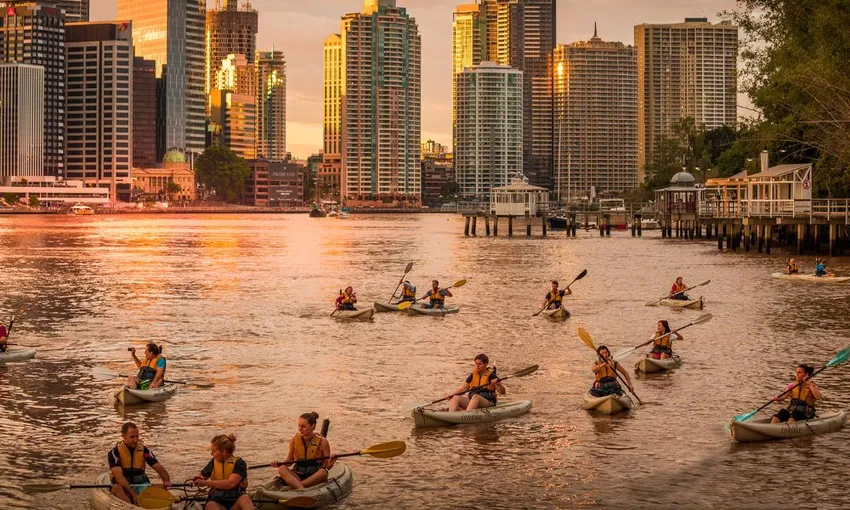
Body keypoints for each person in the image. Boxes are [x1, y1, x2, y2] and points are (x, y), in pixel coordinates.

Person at [108, 422, 171, 505]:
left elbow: (159, 468)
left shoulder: (144, 450)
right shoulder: (114, 453)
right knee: (117, 488)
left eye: (137, 436)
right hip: (123, 486)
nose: (135, 440)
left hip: (141, 484)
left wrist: (166, 481)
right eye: (132, 437)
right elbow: (119, 478)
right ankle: (130, 506)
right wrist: (133, 494)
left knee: (161, 488)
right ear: (123, 436)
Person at [272, 412, 336, 490]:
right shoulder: (294, 440)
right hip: (298, 475)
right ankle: (301, 488)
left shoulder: (323, 442)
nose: (300, 429)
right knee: (282, 469)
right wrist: (279, 464)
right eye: (299, 426)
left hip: (314, 476)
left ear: (313, 426)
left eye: (303, 426)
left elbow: (328, 466)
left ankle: (296, 486)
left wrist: (332, 461)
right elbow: (289, 461)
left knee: (323, 472)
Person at [193, 434, 253, 510]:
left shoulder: (239, 463)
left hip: (235, 504)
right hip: (217, 502)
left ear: (224, 452)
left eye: (214, 451)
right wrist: (199, 478)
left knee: (245, 499)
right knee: (210, 504)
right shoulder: (213, 462)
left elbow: (231, 483)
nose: (211, 454)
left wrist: (206, 483)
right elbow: (203, 475)